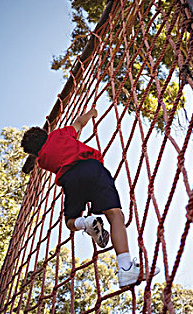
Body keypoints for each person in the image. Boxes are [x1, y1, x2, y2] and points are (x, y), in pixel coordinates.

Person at [21, 108, 158, 288]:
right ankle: (125, 269)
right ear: (45, 133)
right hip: (92, 168)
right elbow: (78, 123)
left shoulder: (42, 161)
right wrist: (92, 113)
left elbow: (43, 154)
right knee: (115, 215)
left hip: (70, 180)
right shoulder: (58, 134)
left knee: (70, 221)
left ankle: (85, 223)